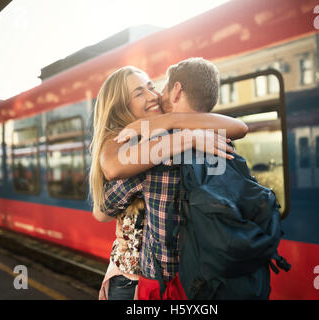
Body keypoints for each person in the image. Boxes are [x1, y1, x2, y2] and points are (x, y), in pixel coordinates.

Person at [93, 58, 249, 299]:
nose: (153, 95)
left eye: (151, 86)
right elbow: (112, 172)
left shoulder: (160, 145)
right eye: (139, 92)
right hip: (191, 275)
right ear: (121, 106)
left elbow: (103, 209)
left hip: (146, 280)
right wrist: (188, 136)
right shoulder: (129, 142)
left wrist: (165, 124)